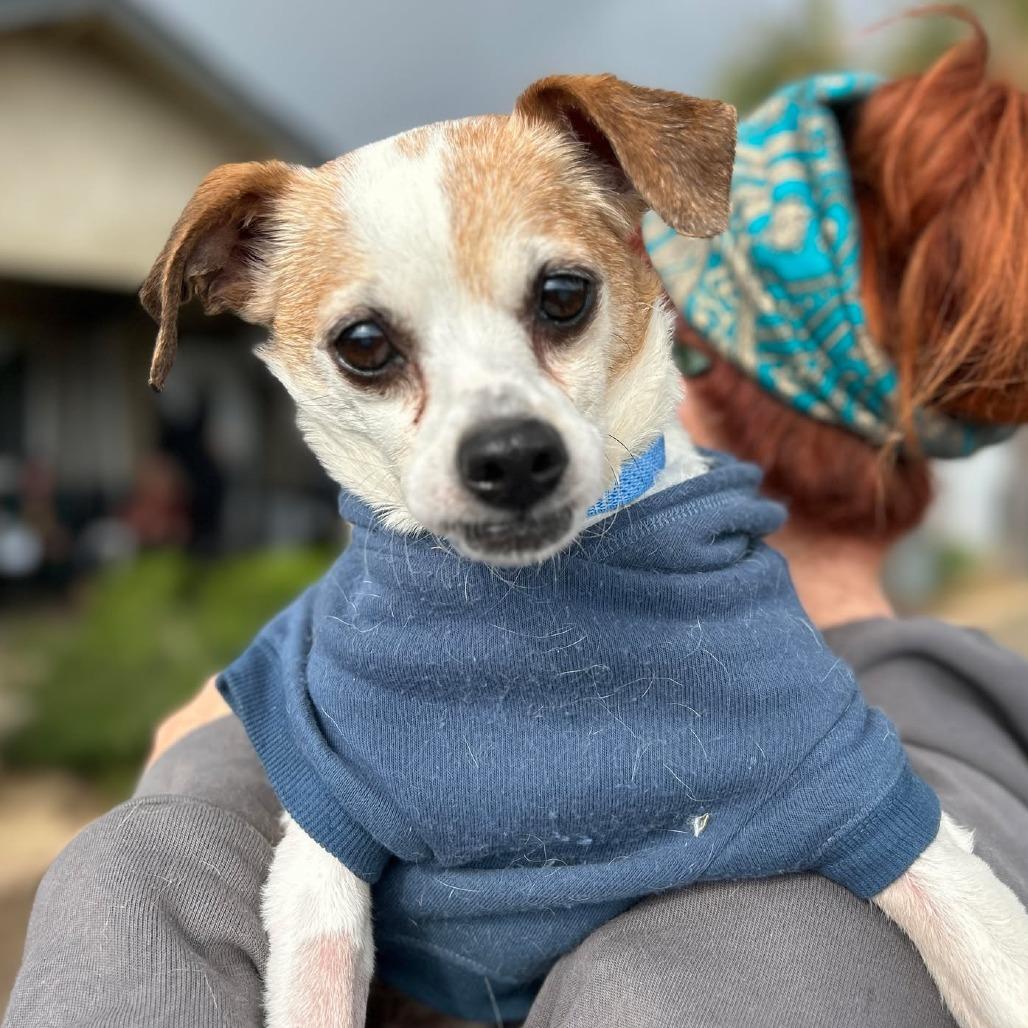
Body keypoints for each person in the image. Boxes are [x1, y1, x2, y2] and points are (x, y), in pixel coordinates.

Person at [5, 14, 1027, 1028]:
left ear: (679, 331)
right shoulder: (973, 723)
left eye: (560, 302)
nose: (499, 428)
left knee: (122, 867)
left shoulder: (889, 738)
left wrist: (201, 766)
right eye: (369, 344)